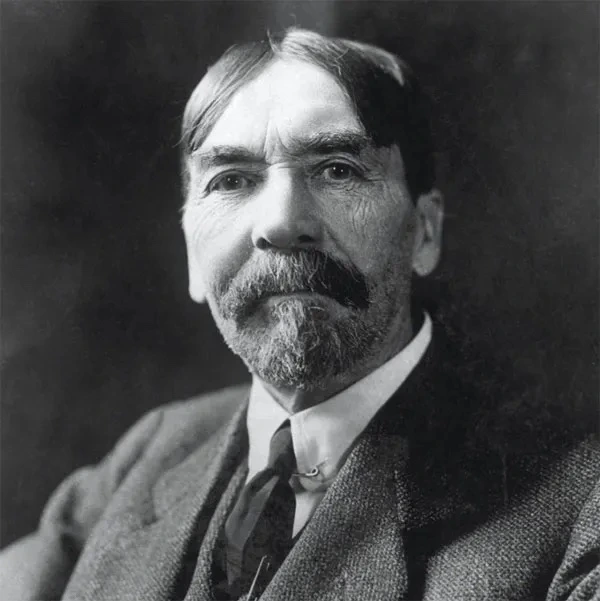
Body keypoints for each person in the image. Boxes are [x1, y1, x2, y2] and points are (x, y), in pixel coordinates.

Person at [1, 27, 598, 601]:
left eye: (337, 170)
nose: (282, 223)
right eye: (231, 180)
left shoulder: (578, 509)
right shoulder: (150, 454)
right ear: (191, 256)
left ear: (425, 232)